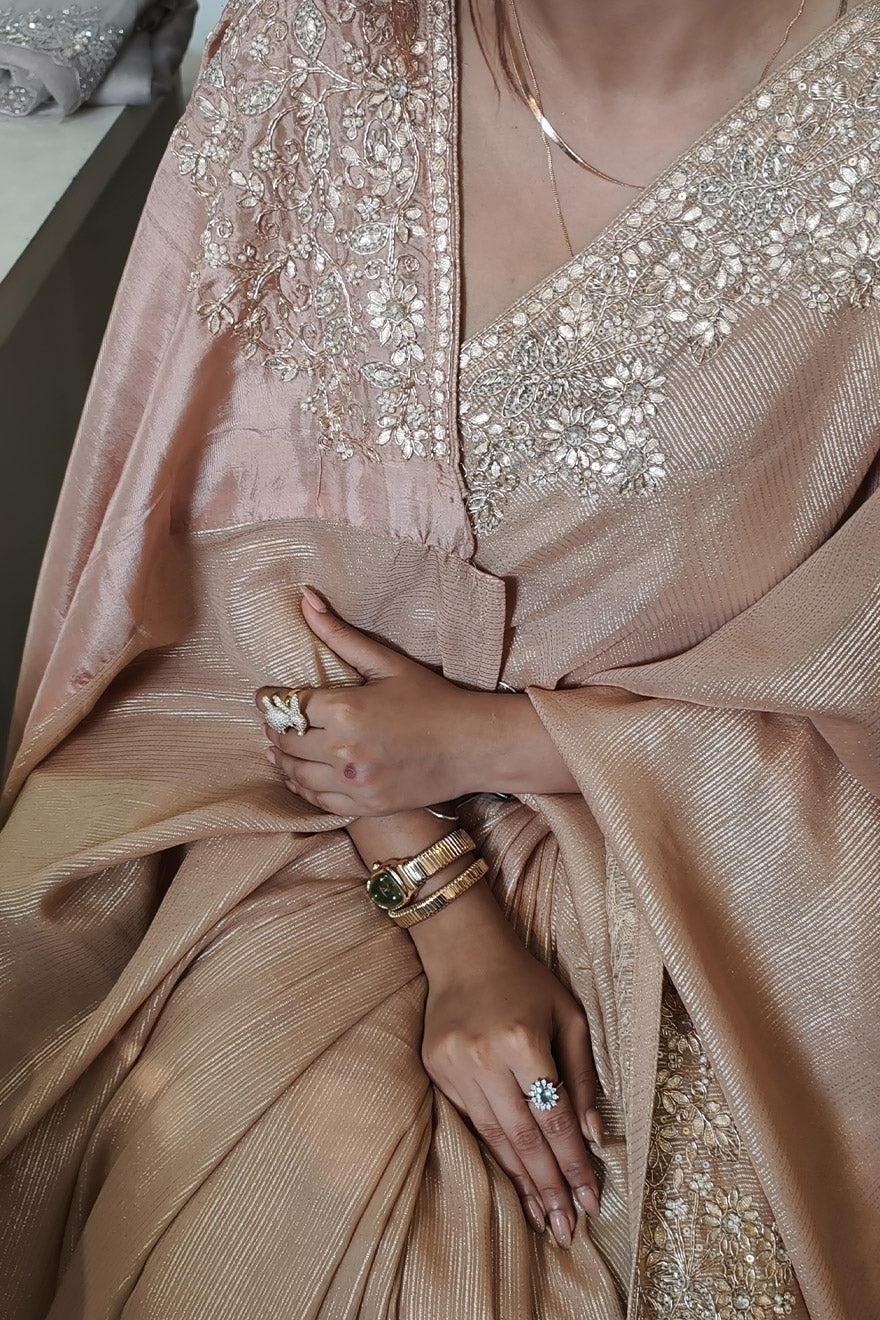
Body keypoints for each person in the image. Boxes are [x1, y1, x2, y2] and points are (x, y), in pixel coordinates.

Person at [1, 0, 878, 1315]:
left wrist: (509, 740)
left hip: (755, 845)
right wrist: (440, 895)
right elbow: (231, 560)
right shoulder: (324, 47)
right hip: (310, 805)